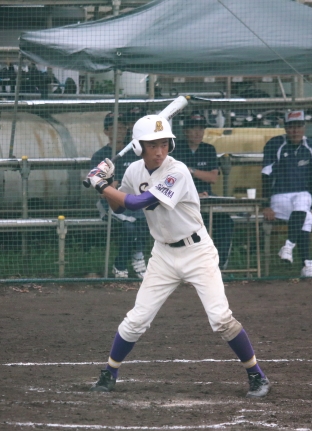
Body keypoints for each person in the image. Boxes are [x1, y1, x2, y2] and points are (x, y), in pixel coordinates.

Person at [84, 114, 270, 398]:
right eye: (152, 145)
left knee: (221, 319)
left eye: (163, 144)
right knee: (136, 319)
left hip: (197, 252)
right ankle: (109, 373)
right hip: (163, 254)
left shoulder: (178, 171)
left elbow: (139, 202)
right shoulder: (134, 170)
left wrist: (101, 185)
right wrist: (108, 183)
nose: (159, 151)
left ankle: (257, 375)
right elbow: (119, 207)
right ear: (139, 147)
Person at [261, 110, 312, 277]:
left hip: (303, 197)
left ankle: (289, 248)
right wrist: (266, 205)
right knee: (305, 217)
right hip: (279, 196)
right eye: (291, 127)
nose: (295, 131)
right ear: (285, 128)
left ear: (304, 127)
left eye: (298, 126)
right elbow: (266, 176)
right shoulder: (275, 144)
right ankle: (307, 265)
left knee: (304, 204)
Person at [91, 112, 149, 279]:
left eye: (123, 127)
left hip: (133, 203)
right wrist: (114, 188)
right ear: (106, 131)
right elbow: (102, 191)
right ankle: (135, 257)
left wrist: (120, 186)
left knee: (143, 220)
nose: (120, 131)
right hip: (111, 205)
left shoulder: (136, 154)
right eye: (115, 127)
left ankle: (122, 263)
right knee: (130, 224)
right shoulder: (100, 156)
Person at [173, 112, 234, 269]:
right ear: (185, 130)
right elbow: (173, 179)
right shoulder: (175, 149)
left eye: (201, 129)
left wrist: (191, 171)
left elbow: (213, 177)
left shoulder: (208, 149)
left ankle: (218, 266)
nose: (197, 132)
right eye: (193, 128)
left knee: (226, 221)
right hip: (182, 201)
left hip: (207, 198)